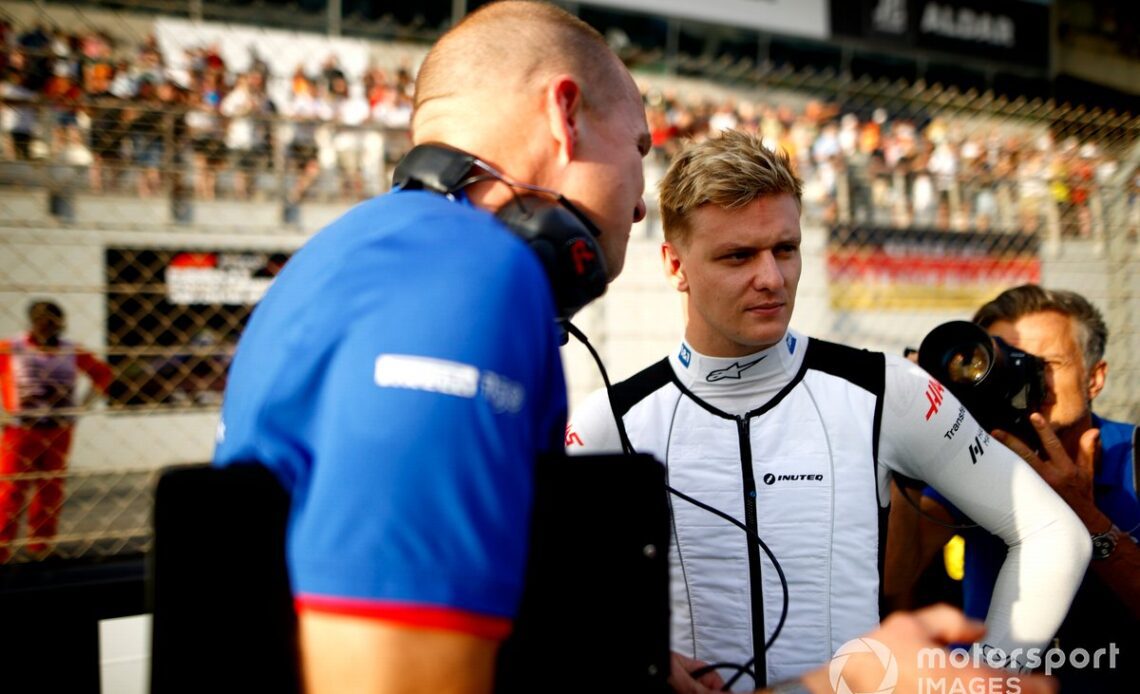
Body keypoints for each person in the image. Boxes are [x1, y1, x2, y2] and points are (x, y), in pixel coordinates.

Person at [213, 3, 647, 692]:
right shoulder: (467, 275)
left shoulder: (348, 253)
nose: (642, 204)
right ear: (566, 115)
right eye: (640, 149)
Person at [566, 129, 1091, 691]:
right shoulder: (609, 422)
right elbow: (521, 591)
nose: (771, 278)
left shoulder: (887, 388)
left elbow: (1053, 531)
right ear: (675, 266)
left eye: (785, 249)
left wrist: (988, 677)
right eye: (738, 256)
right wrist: (631, 651)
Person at [885, 285, 1139, 690]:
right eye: (1008, 361)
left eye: (1049, 362)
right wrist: (910, 449)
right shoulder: (977, 456)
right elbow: (898, 575)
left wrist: (1084, 516)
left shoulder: (1133, 456)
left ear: (1095, 377)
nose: (1028, 376)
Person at [0, 300, 112, 562]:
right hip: (21, 431)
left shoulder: (70, 350)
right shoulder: (12, 348)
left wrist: (81, 408)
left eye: (53, 321)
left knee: (50, 489)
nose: (48, 326)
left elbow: (103, 374)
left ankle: (41, 547)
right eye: (42, 320)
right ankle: (2, 548)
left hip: (58, 430)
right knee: (11, 490)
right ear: (32, 321)